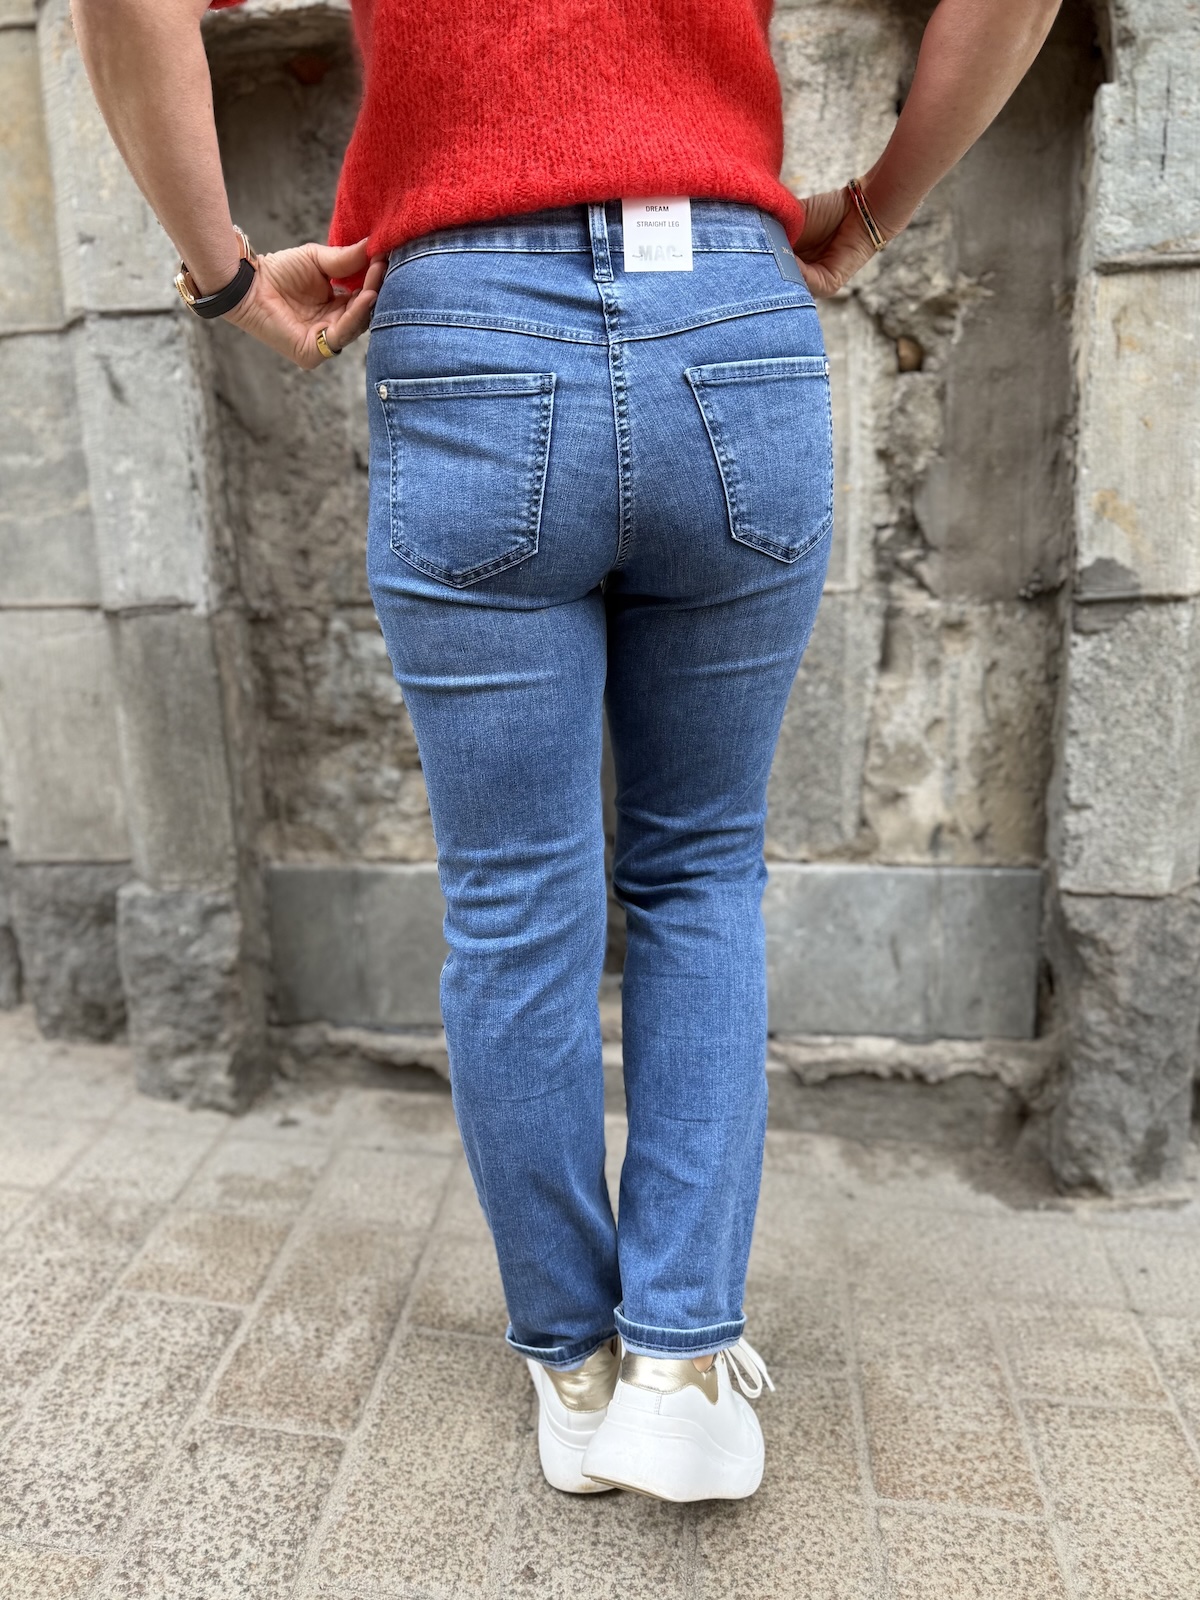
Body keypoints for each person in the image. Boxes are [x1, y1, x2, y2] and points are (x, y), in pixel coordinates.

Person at [74, 0, 1064, 1503]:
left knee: (515, 899)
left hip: (467, 324)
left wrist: (221, 274)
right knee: (700, 873)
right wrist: (874, 210)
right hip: (730, 312)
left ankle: (577, 1363)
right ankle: (680, 1364)